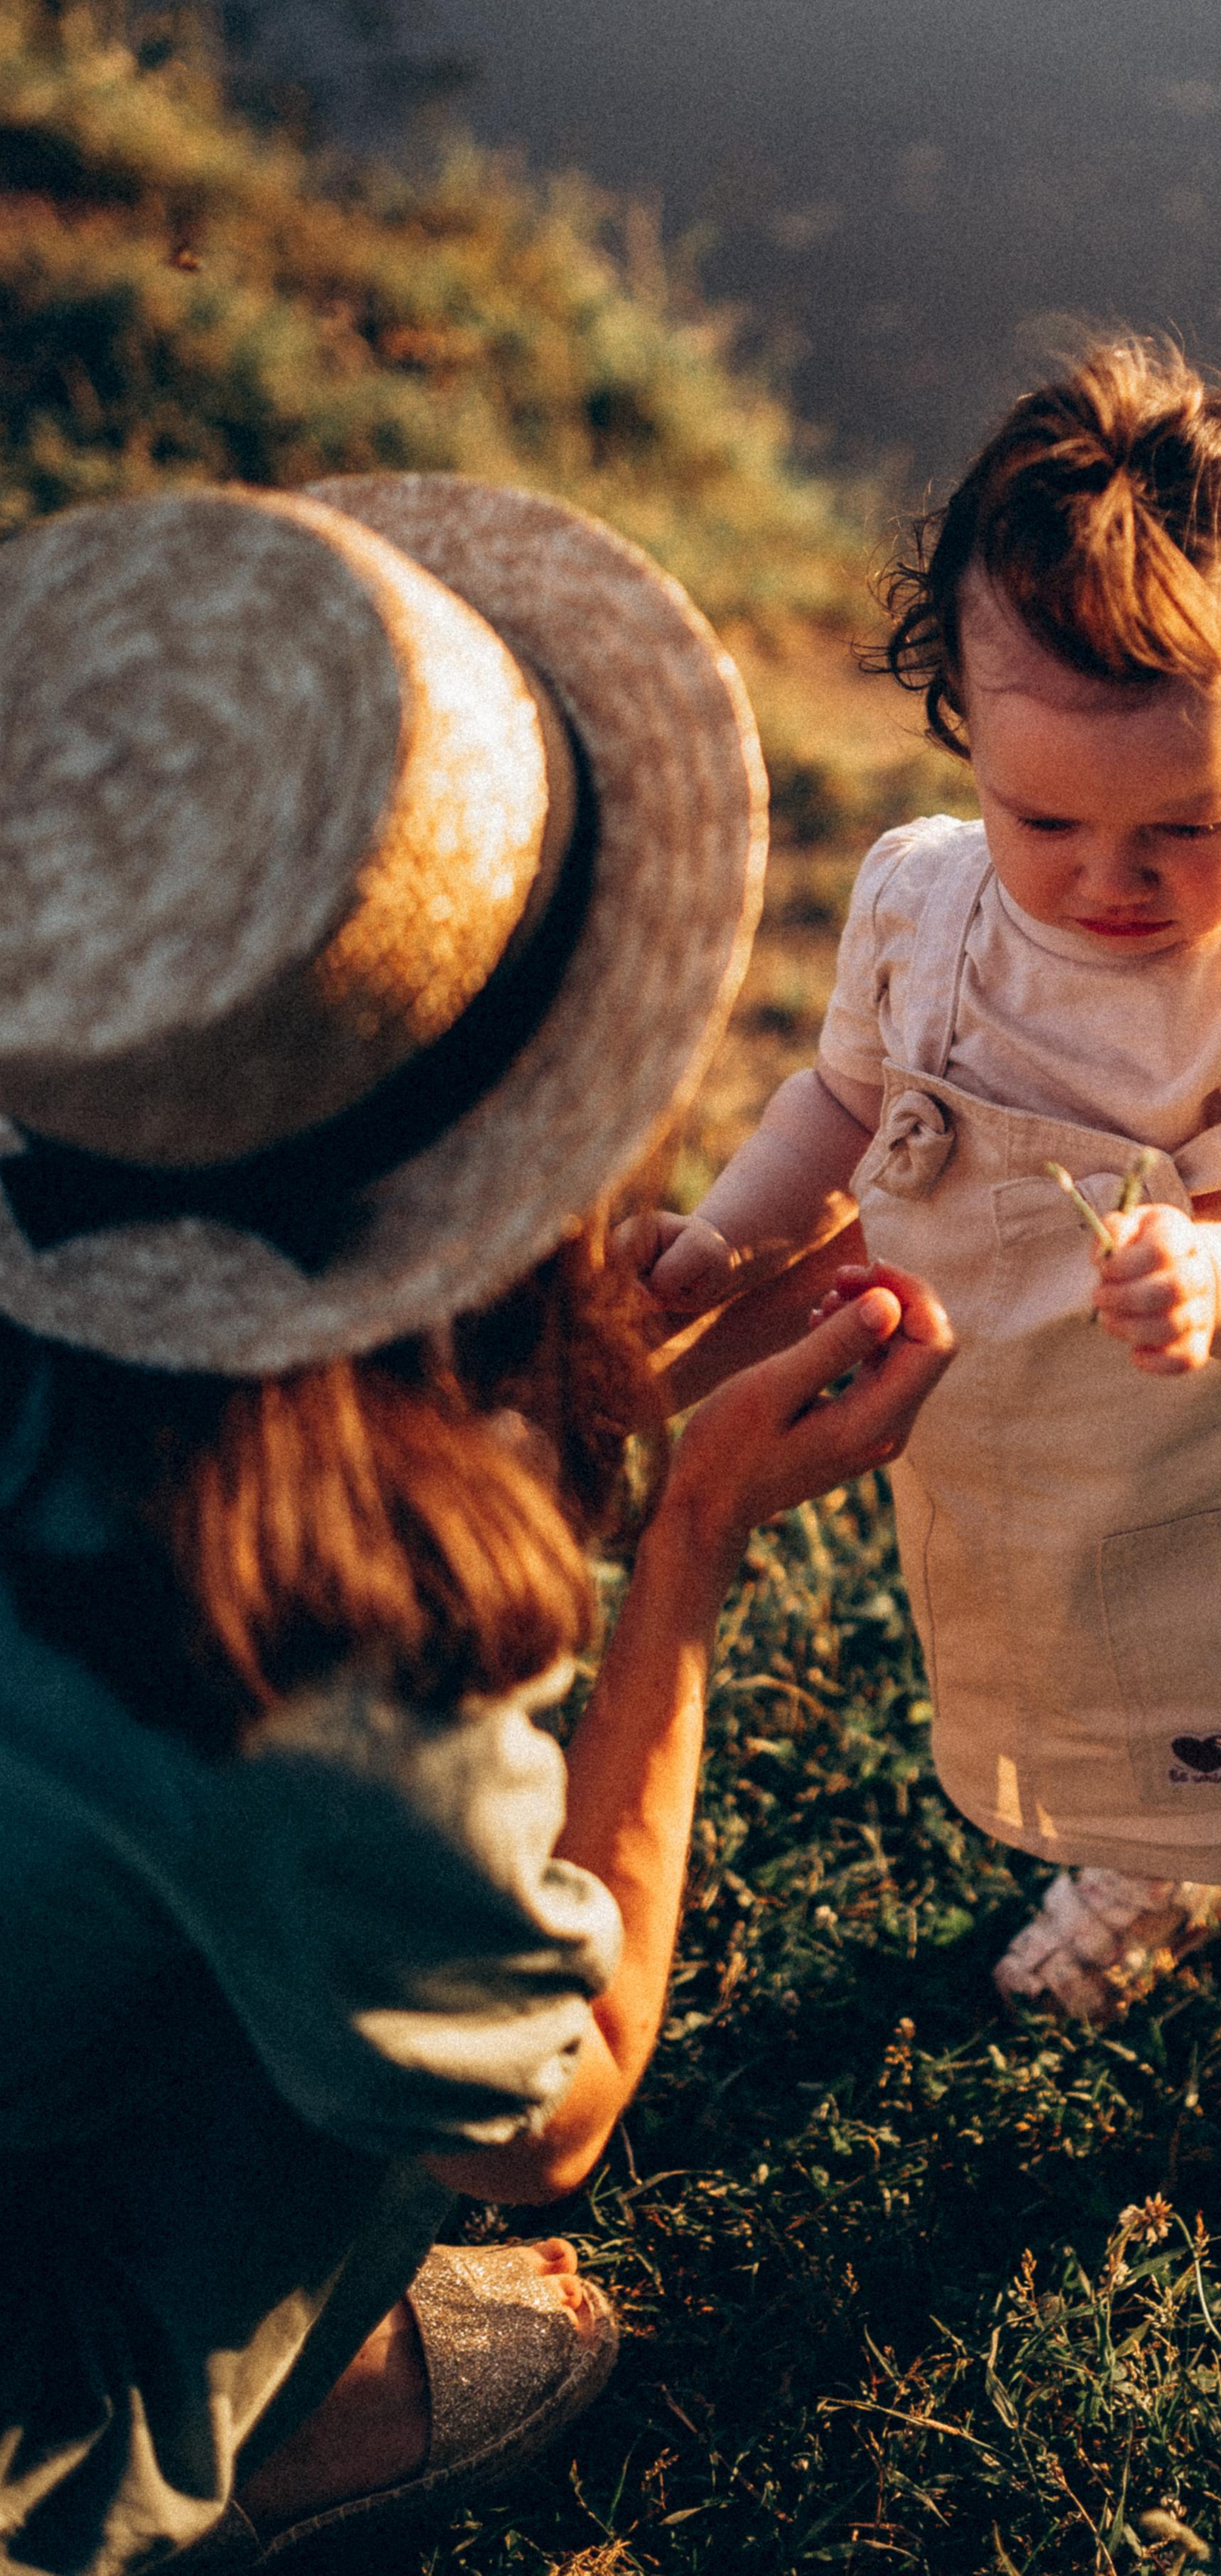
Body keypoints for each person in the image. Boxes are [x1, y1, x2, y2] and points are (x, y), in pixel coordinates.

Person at [0, 476, 954, 2574]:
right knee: (395, 2003)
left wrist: (551, 1395)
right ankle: (247, 2427)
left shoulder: (76, 1172)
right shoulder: (291, 1646)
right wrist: (687, 1540)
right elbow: (553, 2111)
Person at [643, 341, 1221, 2283]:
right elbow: (844, 1102)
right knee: (1118, 1706)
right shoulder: (924, 905)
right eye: (1047, 823)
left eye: (1178, 831)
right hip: (1024, 1467)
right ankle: (1147, 1843)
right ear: (962, 726)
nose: (1105, 880)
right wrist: (719, 1238)